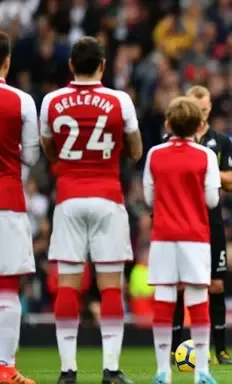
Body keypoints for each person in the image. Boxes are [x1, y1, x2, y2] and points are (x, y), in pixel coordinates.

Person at [39, 36, 142, 384]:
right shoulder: (119, 100)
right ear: (102, 65)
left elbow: (49, 149)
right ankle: (110, 369)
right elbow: (136, 150)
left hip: (68, 198)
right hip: (108, 197)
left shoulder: (51, 101)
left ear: (71, 65)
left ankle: (68, 371)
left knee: (68, 286)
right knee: (111, 286)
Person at [143, 96, 221, 384]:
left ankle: (163, 370)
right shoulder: (206, 156)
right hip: (195, 236)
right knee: (198, 300)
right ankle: (202, 371)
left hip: (163, 235)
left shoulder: (154, 154)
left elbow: (149, 198)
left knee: (164, 300)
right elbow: (212, 200)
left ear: (167, 123)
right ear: (200, 125)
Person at [164, 86, 232, 365]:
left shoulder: (221, 141)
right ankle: (174, 347)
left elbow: (230, 181)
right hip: (181, 216)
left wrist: (197, 168)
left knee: (216, 285)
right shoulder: (170, 140)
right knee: (181, 285)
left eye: (204, 108)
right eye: (195, 108)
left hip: (211, 218)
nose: (200, 113)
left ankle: (221, 349)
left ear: (210, 107)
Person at [0, 30, 38, 384]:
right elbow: (30, 155)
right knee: (7, 288)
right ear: (7, 62)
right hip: (7, 200)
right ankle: (5, 368)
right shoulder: (22, 101)